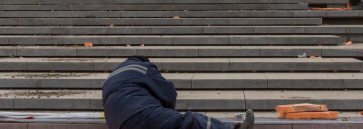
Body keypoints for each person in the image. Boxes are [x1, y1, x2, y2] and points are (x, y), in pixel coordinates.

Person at [102, 55, 254, 129]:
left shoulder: (114, 75)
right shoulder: (144, 67)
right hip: (139, 113)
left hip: (116, 123)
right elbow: (169, 94)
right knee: (190, 121)